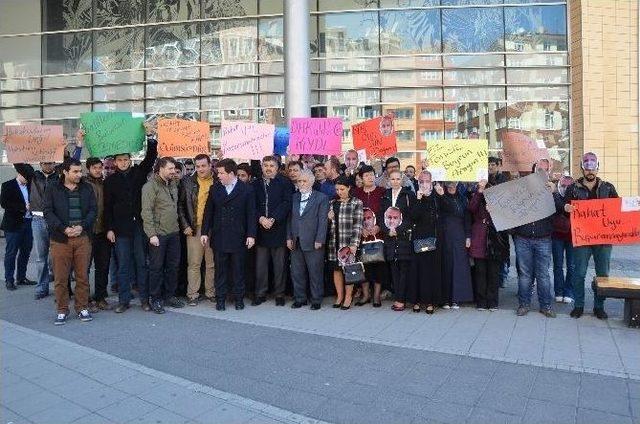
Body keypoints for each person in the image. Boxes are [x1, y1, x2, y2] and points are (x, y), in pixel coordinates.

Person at [104, 122, 158, 313]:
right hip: (120, 229)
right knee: (123, 265)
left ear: (130, 160)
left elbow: (151, 158)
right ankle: (123, 301)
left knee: (142, 264)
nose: (123, 163)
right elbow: (107, 207)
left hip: (140, 227)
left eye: (126, 159)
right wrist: (109, 228)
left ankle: (145, 299)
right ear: (115, 162)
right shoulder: (109, 181)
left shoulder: (139, 173)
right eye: (119, 160)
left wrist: (150, 137)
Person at [564, 152, 619, 319]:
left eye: (593, 168)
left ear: (597, 168)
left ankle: (599, 306)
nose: (590, 171)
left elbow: (617, 209)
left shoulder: (608, 187)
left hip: (603, 239)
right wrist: (566, 209)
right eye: (587, 168)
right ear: (582, 169)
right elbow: (565, 208)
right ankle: (579, 305)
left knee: (602, 274)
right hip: (582, 238)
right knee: (579, 273)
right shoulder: (572, 188)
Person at [43, 158, 97, 325]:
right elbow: (48, 211)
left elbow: (93, 211)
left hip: (82, 239)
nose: (79, 174)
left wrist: (82, 227)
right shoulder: (53, 188)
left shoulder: (87, 188)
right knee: (60, 277)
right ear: (65, 172)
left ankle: (82, 308)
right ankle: (62, 310)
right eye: (75, 171)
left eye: (80, 171)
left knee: (82, 276)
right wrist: (63, 228)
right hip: (60, 240)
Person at [201, 159, 257, 311]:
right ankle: (221, 299)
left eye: (221, 173)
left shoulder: (246, 189)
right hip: (220, 235)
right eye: (217, 172)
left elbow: (251, 214)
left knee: (238, 269)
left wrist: (251, 234)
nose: (218, 175)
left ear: (231, 173)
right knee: (220, 270)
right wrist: (204, 232)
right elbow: (208, 212)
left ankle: (239, 298)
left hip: (239, 236)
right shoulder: (215, 188)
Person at [513, 166, 564, 318]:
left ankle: (546, 306)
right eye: (537, 171)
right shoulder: (521, 190)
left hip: (543, 239)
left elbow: (561, 209)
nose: (540, 174)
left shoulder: (551, 191)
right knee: (524, 275)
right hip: (523, 238)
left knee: (543, 275)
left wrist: (554, 192)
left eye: (543, 171)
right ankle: (524, 304)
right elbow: (508, 208)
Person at [141, 157, 184, 314]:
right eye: (170, 169)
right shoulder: (150, 187)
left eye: (174, 169)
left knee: (173, 266)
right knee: (156, 268)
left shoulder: (173, 184)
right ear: (160, 169)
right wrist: (152, 234)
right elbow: (146, 212)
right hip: (158, 234)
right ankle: (156, 298)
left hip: (174, 232)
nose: (173, 171)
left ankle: (169, 295)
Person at [252, 155, 293, 306]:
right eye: (266, 165)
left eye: (271, 166)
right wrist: (261, 218)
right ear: (262, 167)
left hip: (278, 229)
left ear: (277, 168)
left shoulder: (285, 183)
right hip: (261, 230)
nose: (268, 168)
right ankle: (260, 293)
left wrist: (273, 218)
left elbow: (287, 203)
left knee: (279, 265)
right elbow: (252, 206)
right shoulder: (255, 184)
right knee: (261, 265)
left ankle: (279, 294)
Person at [287, 169, 330, 310]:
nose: (301, 183)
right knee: (297, 271)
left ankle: (316, 299)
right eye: (299, 181)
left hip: (313, 241)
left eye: (304, 180)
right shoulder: (293, 197)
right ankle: (300, 298)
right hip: (296, 240)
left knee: (315, 271)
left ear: (311, 182)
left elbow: (323, 221)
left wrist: (320, 239)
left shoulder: (321, 198)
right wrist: (289, 237)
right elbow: (290, 219)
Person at [178, 154, 216, 306]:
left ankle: (210, 292)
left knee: (211, 263)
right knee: (194, 263)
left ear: (210, 165)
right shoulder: (187, 182)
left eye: (203, 166)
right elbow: (180, 206)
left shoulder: (217, 181)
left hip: (213, 228)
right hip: (194, 228)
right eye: (198, 166)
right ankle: (192, 294)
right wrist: (185, 225)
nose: (200, 169)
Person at [468, 180, 509, 311]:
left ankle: (492, 301)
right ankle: (481, 301)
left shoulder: (500, 202)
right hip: (479, 238)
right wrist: (479, 192)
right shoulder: (477, 197)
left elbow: (506, 218)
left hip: (494, 240)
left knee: (493, 272)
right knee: (480, 272)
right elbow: (471, 208)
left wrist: (495, 211)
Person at [380, 170, 415, 312]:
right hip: (389, 237)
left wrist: (398, 229)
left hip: (403, 237)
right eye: (392, 179)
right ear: (389, 180)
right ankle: (398, 297)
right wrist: (387, 229)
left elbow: (410, 217)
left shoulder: (408, 195)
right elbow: (380, 214)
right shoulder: (385, 195)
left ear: (402, 180)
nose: (395, 181)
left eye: (397, 179)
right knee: (393, 269)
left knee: (404, 269)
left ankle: (401, 299)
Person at [352, 165, 387, 307]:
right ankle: (365, 294)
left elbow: (385, 212)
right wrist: (360, 229)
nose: (370, 177)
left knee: (378, 265)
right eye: (366, 175)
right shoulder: (356, 193)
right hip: (362, 236)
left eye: (372, 174)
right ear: (361, 178)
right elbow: (353, 213)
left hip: (377, 234)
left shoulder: (382, 192)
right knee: (363, 265)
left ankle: (376, 295)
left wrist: (379, 226)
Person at [327, 175, 363, 310]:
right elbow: (326, 225)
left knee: (348, 270)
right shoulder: (332, 203)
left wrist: (354, 244)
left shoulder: (356, 203)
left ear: (349, 188)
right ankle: (339, 296)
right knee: (336, 269)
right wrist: (328, 218)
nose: (339, 192)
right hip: (334, 241)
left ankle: (348, 297)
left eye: (342, 189)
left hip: (347, 242)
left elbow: (358, 225)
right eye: (337, 189)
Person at [83, 156, 112, 311]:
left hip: (103, 231)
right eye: (95, 168)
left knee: (103, 266)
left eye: (100, 168)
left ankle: (100, 297)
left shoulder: (105, 183)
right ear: (88, 169)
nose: (98, 170)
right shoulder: (82, 184)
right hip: (87, 232)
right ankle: (86, 299)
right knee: (84, 267)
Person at [437, 181, 473, 309]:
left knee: (459, 267)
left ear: (458, 183)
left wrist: (468, 235)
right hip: (445, 235)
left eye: (454, 182)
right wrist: (441, 196)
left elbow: (467, 218)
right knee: (446, 265)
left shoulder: (463, 199)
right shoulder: (440, 196)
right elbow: (445, 209)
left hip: (460, 235)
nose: (451, 184)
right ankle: (445, 299)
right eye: (449, 182)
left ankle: (456, 298)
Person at [411, 170, 442, 314]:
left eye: (427, 181)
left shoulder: (436, 196)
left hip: (433, 237)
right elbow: (414, 216)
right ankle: (417, 300)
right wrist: (418, 199)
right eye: (421, 181)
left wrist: (438, 195)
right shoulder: (415, 196)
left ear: (432, 182)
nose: (424, 184)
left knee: (430, 271)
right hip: (419, 237)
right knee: (417, 270)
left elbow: (439, 213)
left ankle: (430, 301)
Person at [1, 164, 35, 291]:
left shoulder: (31, 184)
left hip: (28, 222)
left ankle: (21, 277)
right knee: (11, 252)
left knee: (26, 251)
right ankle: (9, 279)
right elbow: (4, 203)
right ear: (19, 174)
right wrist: (23, 207)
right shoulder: (7, 185)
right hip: (13, 224)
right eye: (26, 177)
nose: (27, 180)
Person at [551, 175, 575, 304]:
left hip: (572, 236)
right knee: (558, 265)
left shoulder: (576, 196)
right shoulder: (554, 195)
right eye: (563, 186)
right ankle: (559, 291)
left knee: (572, 266)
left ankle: (569, 291)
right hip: (557, 235)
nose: (565, 188)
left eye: (568, 186)